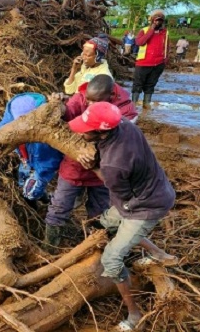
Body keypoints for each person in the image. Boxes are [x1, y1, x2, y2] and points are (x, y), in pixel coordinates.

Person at [68, 101, 177, 332]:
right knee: (107, 223)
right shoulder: (125, 124)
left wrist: (92, 166)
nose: (81, 131)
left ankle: (134, 314)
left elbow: (117, 188)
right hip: (156, 188)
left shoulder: (114, 165)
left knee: (111, 258)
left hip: (144, 206)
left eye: (86, 129)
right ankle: (160, 254)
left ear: (102, 131)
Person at [45, 75, 138, 251]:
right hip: (74, 164)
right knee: (59, 206)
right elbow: (68, 113)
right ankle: (50, 249)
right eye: (87, 100)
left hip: (104, 169)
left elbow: (123, 143)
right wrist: (58, 106)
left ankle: (93, 248)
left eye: (94, 102)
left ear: (110, 97)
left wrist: (95, 155)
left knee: (99, 212)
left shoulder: (125, 109)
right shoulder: (83, 95)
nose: (88, 104)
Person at [0, 93, 63, 207]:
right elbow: (0, 129)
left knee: (30, 192)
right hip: (26, 159)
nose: (18, 126)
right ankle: (41, 197)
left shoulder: (44, 139)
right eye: (16, 122)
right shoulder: (13, 112)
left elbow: (49, 162)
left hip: (41, 165)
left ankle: (42, 199)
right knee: (22, 181)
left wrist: (40, 176)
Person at [133, 9, 169, 110]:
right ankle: (133, 104)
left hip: (158, 64)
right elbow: (140, 42)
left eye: (161, 20)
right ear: (152, 20)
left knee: (151, 84)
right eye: (156, 20)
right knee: (137, 84)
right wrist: (151, 30)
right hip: (143, 63)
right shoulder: (144, 30)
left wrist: (165, 60)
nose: (158, 22)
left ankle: (146, 104)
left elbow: (167, 46)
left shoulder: (165, 33)